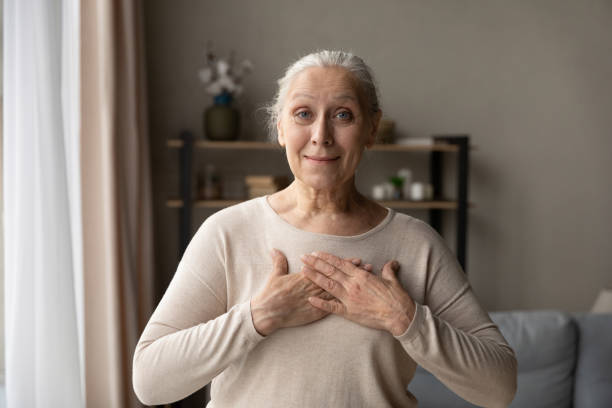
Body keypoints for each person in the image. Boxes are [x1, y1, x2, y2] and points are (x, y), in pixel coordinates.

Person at [133, 50, 517, 407]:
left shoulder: (416, 243)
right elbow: (150, 381)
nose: (321, 135)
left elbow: (499, 388)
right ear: (280, 127)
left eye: (343, 115)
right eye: (303, 114)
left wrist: (403, 318)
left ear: (371, 129)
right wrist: (259, 316)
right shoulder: (227, 232)